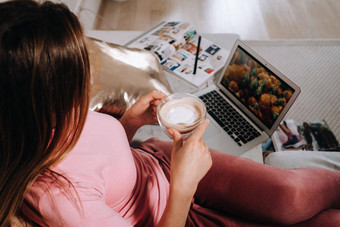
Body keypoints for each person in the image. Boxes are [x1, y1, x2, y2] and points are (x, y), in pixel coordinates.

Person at [0, 1, 339, 226]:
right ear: (40, 102)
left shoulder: (53, 118)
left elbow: (101, 159)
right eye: (75, 73)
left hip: (160, 163)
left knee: (292, 197)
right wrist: (183, 185)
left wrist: (131, 123)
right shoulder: (57, 198)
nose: (85, 73)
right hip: (173, 213)